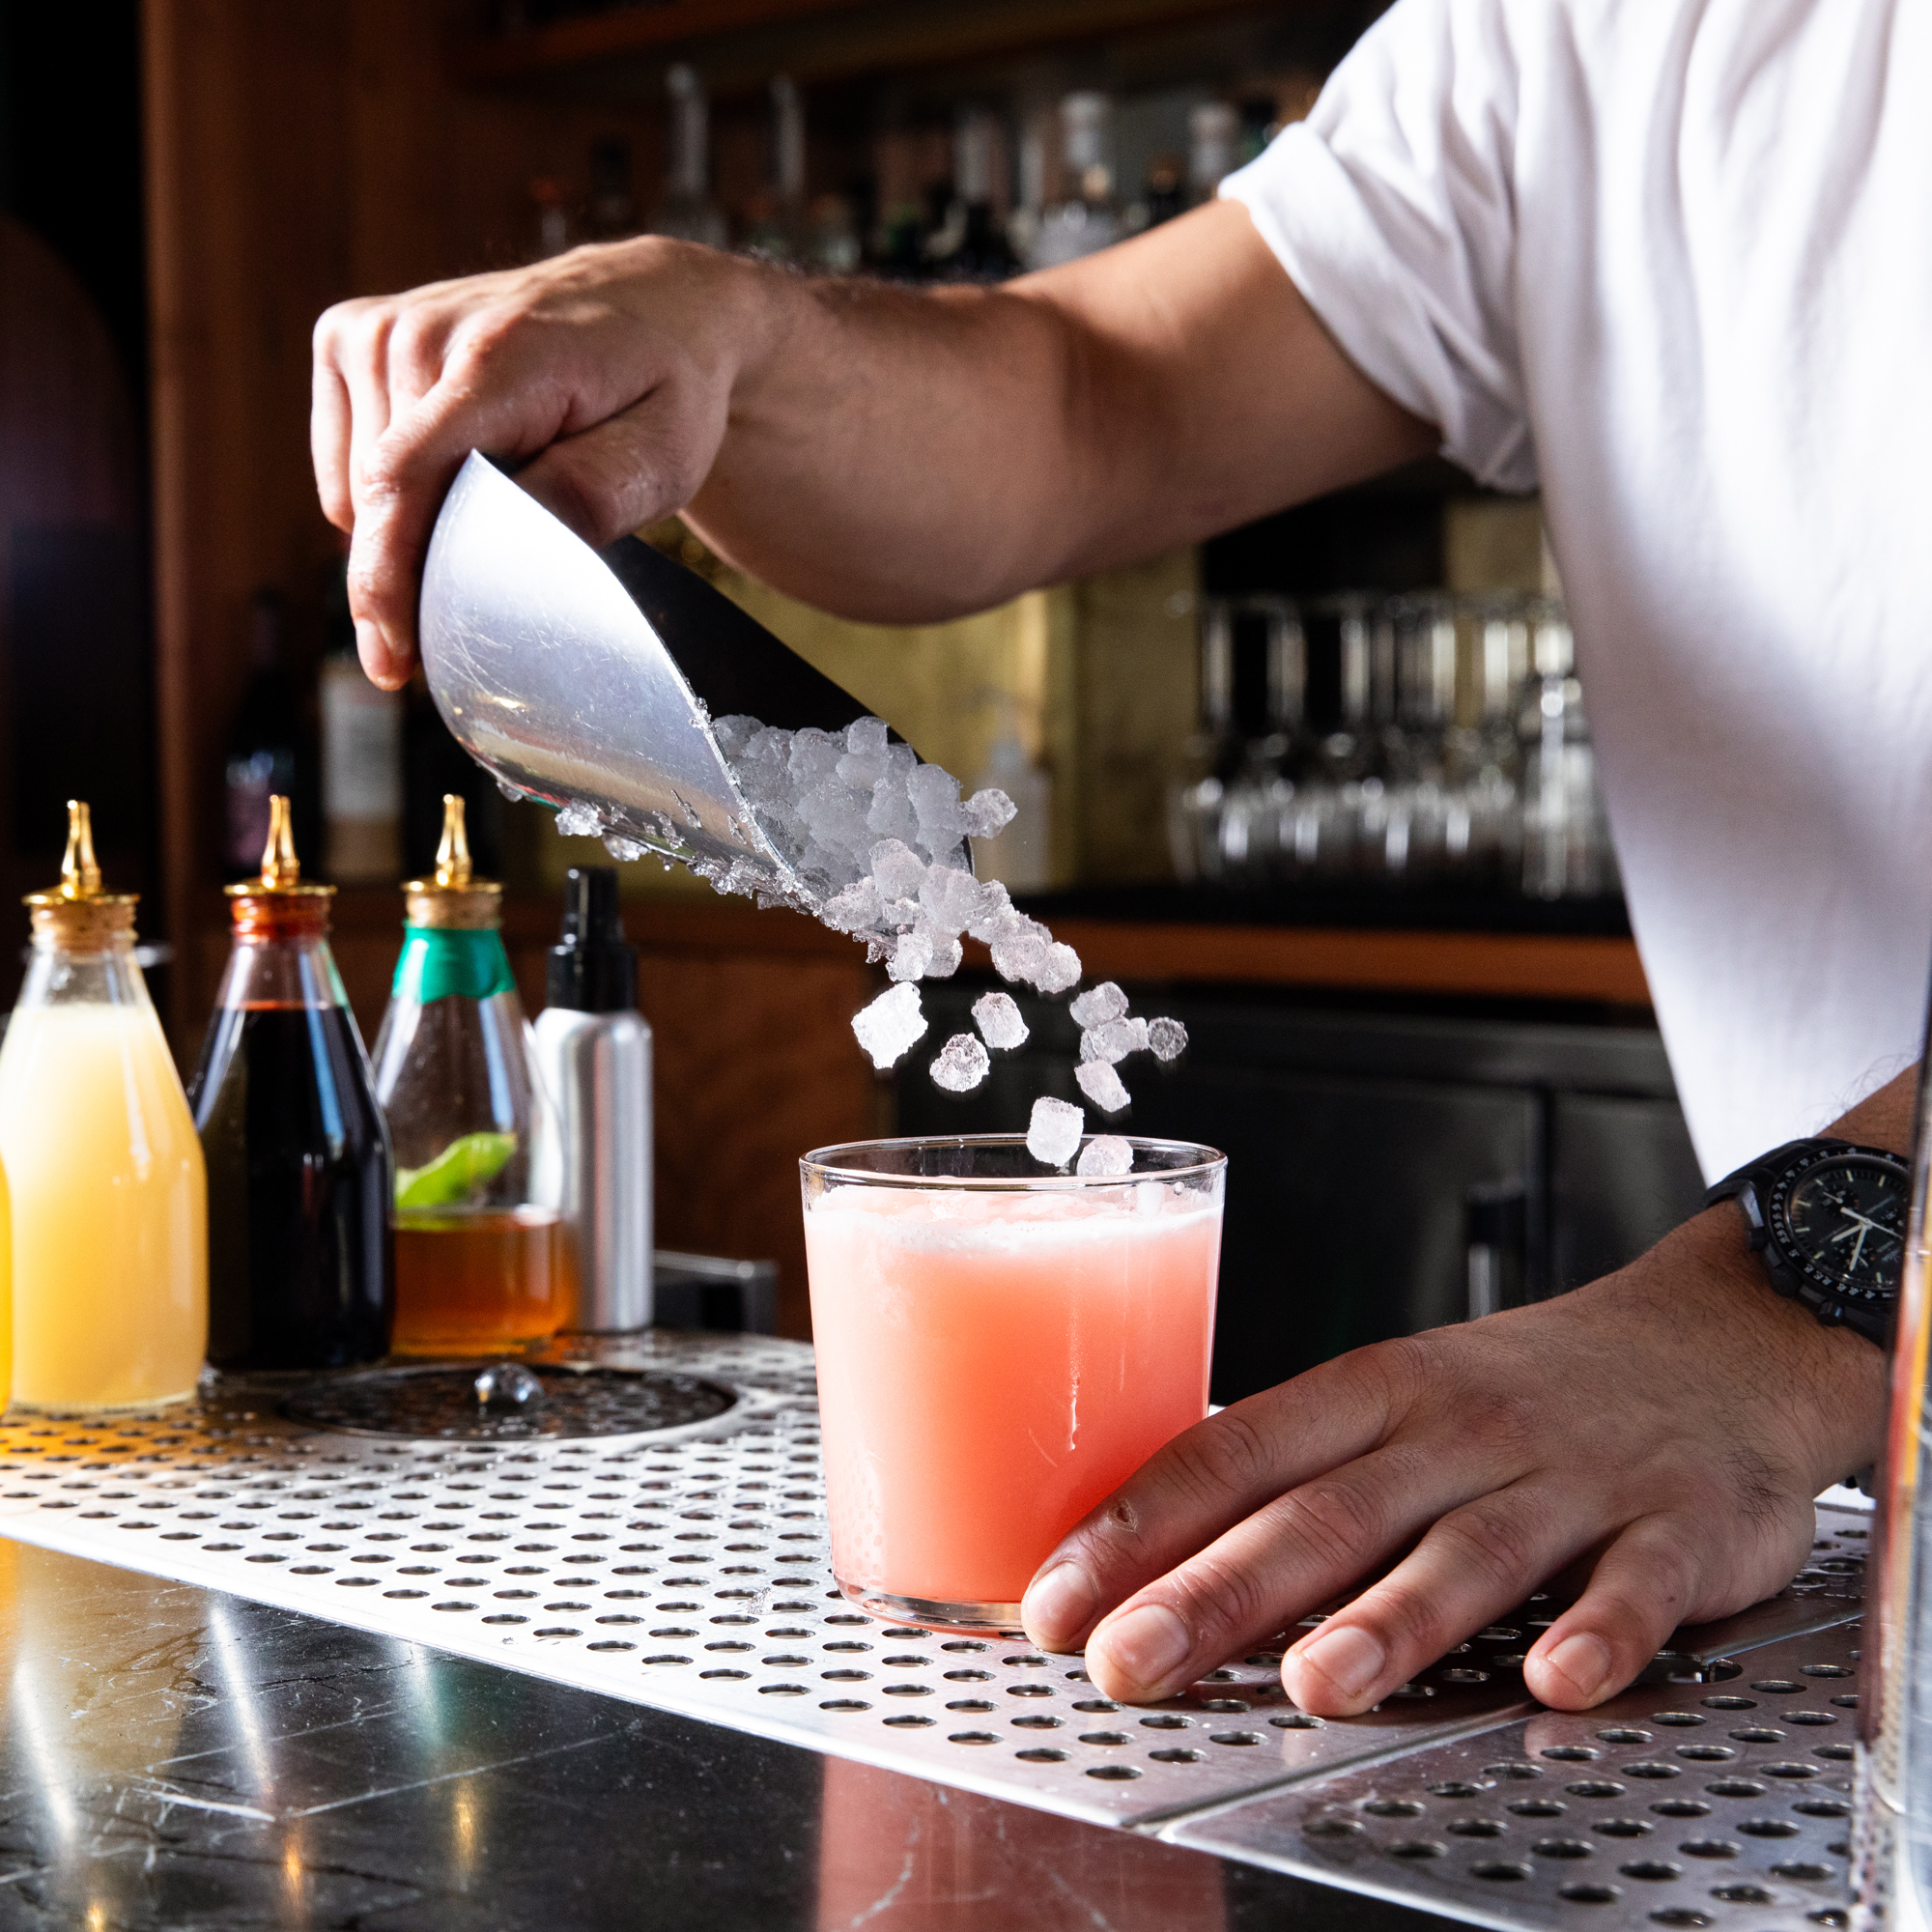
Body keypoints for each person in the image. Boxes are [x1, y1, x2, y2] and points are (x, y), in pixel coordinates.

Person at [311, 0, 1919, 1717]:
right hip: (1831, 1545)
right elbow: (1095, 401)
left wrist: (1789, 1294)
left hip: (1808, 1405)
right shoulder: (1583, 38)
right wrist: (740, 335)